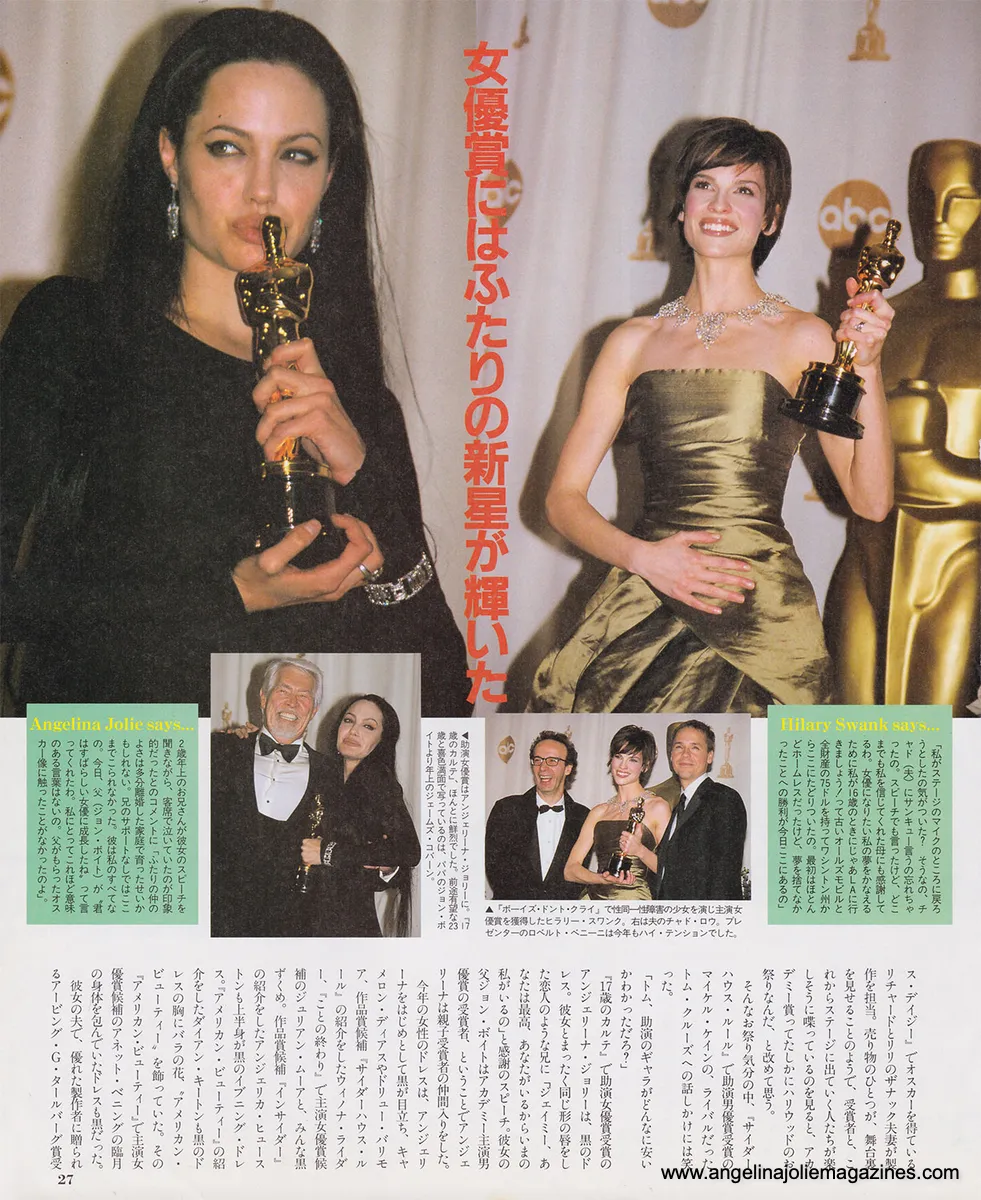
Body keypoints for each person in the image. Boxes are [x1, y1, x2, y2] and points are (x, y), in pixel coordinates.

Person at [0, 6, 469, 718]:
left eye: (296, 155)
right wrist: (233, 595)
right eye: (227, 148)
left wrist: (363, 474)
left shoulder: (355, 403)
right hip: (117, 767)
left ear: (330, 175)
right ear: (169, 155)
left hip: (283, 782)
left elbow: (441, 701)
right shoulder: (74, 329)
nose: (262, 189)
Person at [529, 117, 895, 714]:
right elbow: (561, 500)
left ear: (770, 218)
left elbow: (871, 499)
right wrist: (645, 559)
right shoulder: (631, 342)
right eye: (706, 185)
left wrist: (870, 369)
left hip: (761, 617)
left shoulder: (805, 337)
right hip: (642, 605)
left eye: (744, 190)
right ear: (681, 206)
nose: (721, 205)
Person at [824, 139, 980, 714]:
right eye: (925, 199)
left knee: (930, 745)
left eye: (960, 200)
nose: (937, 219)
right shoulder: (881, 319)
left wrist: (935, 471)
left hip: (960, 558)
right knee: (845, 744)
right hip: (867, 557)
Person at [210, 657, 327, 937]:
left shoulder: (332, 773)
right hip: (216, 925)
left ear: (314, 710)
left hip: (292, 933)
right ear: (263, 698)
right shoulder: (219, 749)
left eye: (303, 696)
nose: (292, 703)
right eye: (283, 691)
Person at [299, 693, 421, 937]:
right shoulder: (321, 772)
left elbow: (409, 851)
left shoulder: (380, 783)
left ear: (382, 740)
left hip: (349, 927)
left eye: (368, 726)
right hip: (302, 919)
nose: (353, 731)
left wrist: (327, 852)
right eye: (348, 721)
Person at [562, 725, 672, 901]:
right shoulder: (599, 812)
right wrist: (601, 879)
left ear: (645, 766)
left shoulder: (657, 807)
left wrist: (640, 850)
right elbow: (570, 870)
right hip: (594, 901)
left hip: (634, 902)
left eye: (633, 760)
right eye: (618, 757)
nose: (623, 766)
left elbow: (672, 871)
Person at [485, 731, 590, 901]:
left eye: (552, 761)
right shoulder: (506, 809)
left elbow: (578, 876)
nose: (543, 768)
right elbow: (495, 869)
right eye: (538, 760)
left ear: (568, 768)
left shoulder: (583, 817)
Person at [655, 720, 746, 901]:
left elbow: (725, 876)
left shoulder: (724, 799)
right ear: (671, 755)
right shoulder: (678, 807)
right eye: (679, 747)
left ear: (710, 756)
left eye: (695, 748)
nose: (685, 754)